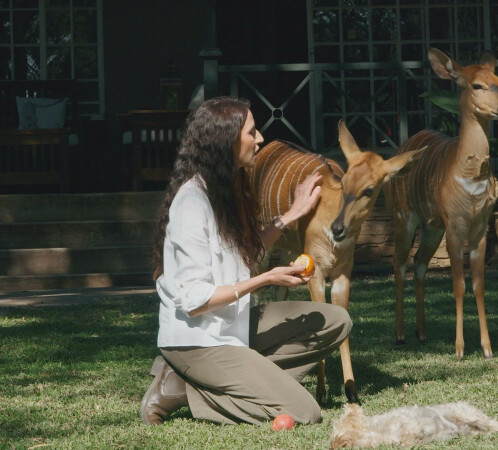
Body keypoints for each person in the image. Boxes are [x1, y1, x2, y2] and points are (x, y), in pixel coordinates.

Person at [140, 96, 352, 426]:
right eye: (252, 132)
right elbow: (195, 303)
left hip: (233, 326)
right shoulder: (192, 202)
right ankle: (183, 390)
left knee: (334, 320)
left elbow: (244, 254)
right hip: (197, 342)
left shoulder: (227, 190)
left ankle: (228, 382)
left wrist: (292, 214)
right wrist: (266, 279)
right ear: (225, 142)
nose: (261, 139)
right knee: (305, 412)